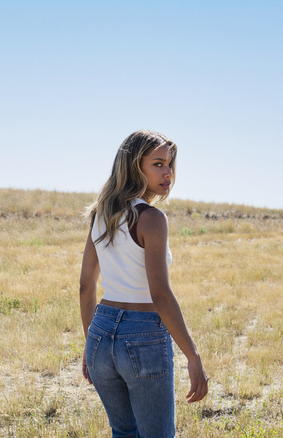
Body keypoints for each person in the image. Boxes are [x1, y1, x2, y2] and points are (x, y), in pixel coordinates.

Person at [79, 130, 208, 437]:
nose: (168, 173)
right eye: (158, 164)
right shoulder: (151, 218)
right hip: (143, 335)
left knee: (124, 432)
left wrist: (90, 345)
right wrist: (193, 356)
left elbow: (86, 286)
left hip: (100, 333)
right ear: (135, 166)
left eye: (170, 164)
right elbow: (160, 294)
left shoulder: (101, 215)